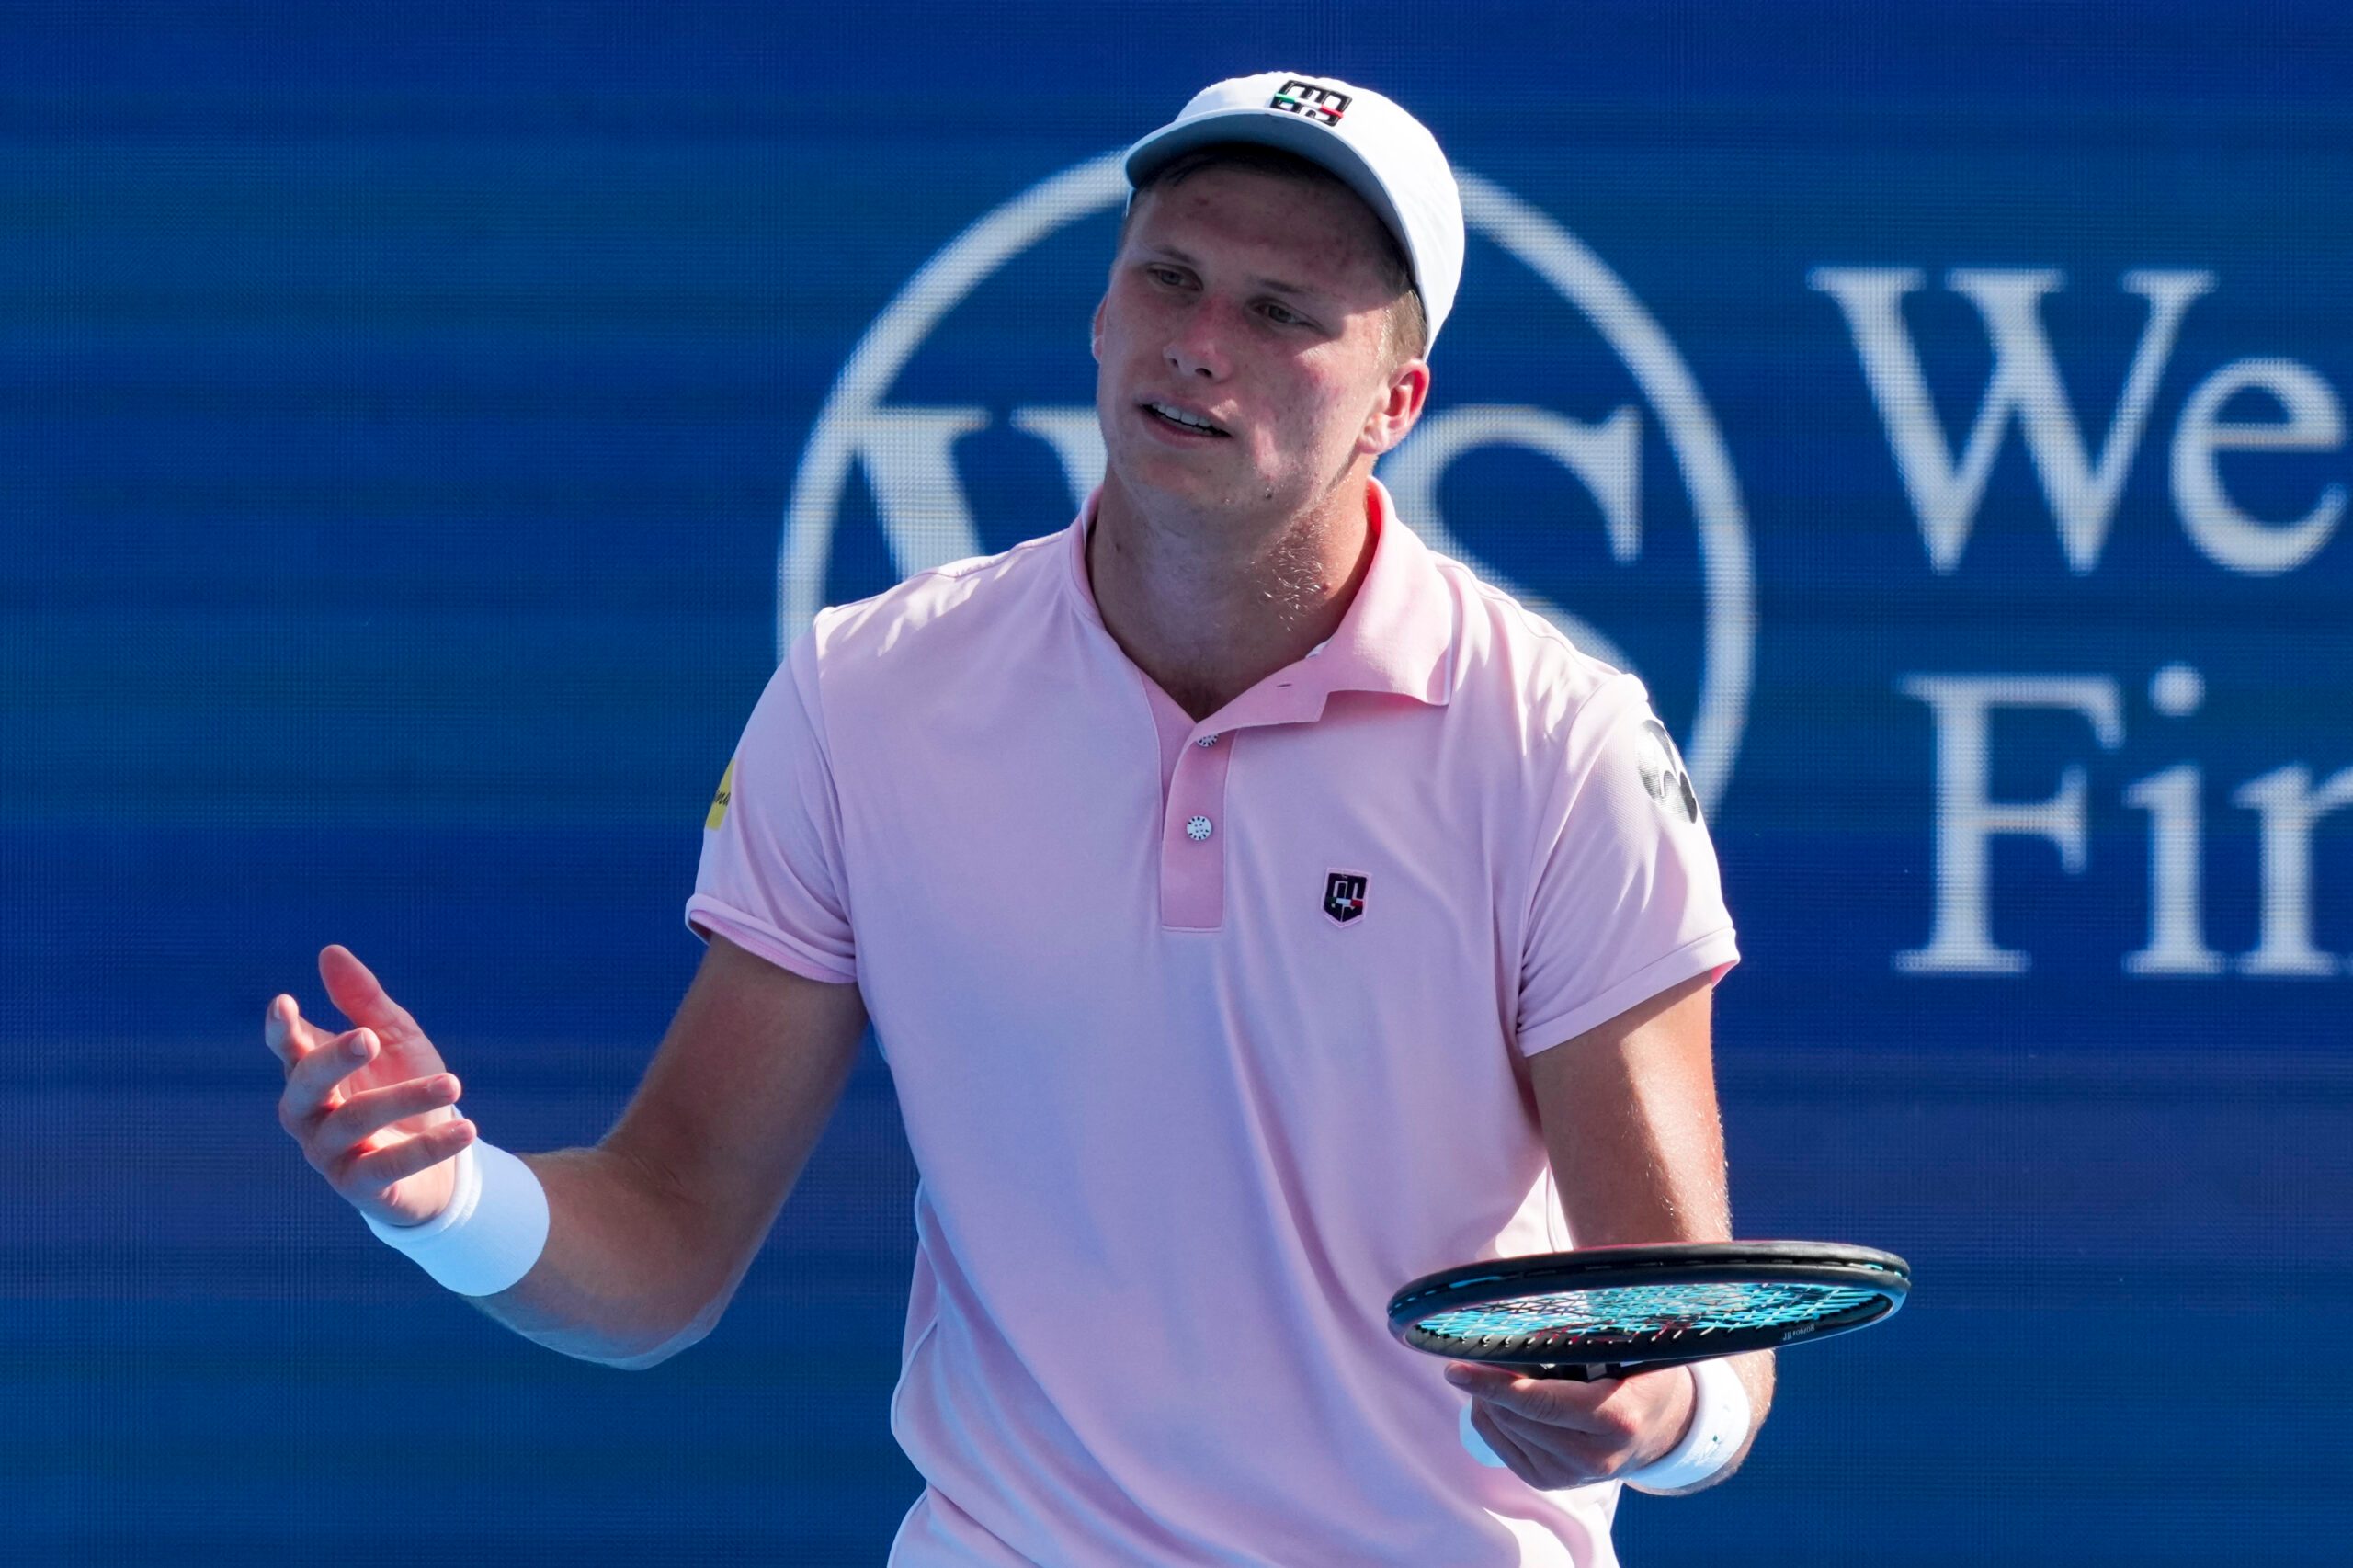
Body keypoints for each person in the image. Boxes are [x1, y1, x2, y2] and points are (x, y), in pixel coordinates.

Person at [265, 71, 1767, 1565]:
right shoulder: (868, 693)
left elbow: (1702, 1345)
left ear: (1397, 401)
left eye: (1281, 313)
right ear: (1101, 315)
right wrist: (445, 1199)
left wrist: (1654, 1404)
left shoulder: (1560, 744)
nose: (1197, 345)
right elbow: (665, 1236)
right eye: (1168, 278)